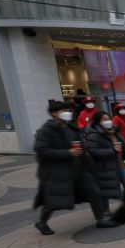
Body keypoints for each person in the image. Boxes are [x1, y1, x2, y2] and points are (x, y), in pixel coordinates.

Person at [33, 101, 117, 235]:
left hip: (79, 169)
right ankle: (42, 222)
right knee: (55, 199)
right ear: (54, 113)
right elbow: (41, 151)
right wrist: (68, 152)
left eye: (69, 111)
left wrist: (89, 165)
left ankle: (101, 220)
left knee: (94, 192)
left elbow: (80, 148)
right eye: (64, 111)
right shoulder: (46, 131)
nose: (68, 113)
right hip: (59, 171)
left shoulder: (71, 128)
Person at [85, 111, 125, 214]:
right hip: (105, 166)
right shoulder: (94, 135)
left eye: (109, 119)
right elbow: (93, 151)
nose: (108, 121)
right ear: (98, 122)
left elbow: (124, 147)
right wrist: (112, 150)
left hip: (121, 164)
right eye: (104, 120)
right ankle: (105, 209)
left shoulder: (114, 131)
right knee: (105, 188)